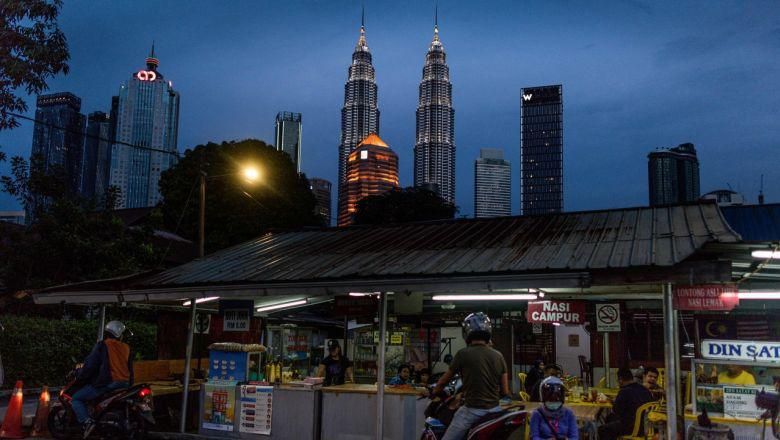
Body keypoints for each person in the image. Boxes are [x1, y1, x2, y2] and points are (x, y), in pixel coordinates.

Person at [432, 312, 511, 440]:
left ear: (466, 332)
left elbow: (443, 382)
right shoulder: (499, 356)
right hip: (495, 411)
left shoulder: (462, 354)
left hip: (472, 411)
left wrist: (435, 391)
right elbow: (505, 391)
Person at [72, 321, 133, 438]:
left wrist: (80, 376)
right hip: (125, 384)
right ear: (119, 334)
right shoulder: (127, 348)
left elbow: (90, 366)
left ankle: (87, 423)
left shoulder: (102, 345)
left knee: (76, 399)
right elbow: (130, 368)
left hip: (109, 383)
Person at [598, 367, 653, 440]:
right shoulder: (645, 390)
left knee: (602, 429)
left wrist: (613, 401)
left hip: (631, 428)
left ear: (620, 380)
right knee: (610, 418)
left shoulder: (624, 391)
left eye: (618, 380)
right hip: (646, 427)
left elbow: (616, 410)